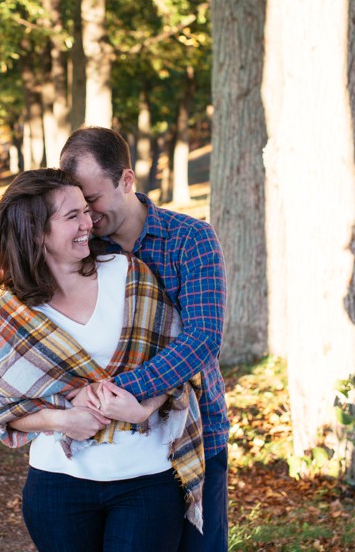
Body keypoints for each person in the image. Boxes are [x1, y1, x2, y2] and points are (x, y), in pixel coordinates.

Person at [0, 169, 206, 552]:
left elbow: (175, 364)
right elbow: (0, 405)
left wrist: (144, 405)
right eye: (72, 217)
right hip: (58, 486)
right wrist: (63, 418)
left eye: (86, 210)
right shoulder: (15, 308)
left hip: (146, 480)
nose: (89, 223)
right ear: (36, 232)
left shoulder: (130, 276)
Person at [60, 126, 229, 552]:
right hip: (110, 453)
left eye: (94, 200)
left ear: (127, 180)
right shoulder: (82, 251)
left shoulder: (190, 239)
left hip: (191, 430)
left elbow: (203, 337)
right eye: (77, 206)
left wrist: (123, 393)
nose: (88, 217)